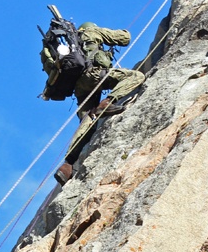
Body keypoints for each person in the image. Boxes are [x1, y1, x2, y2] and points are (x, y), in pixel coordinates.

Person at [50, 22, 146, 185]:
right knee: (136, 76)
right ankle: (107, 103)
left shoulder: (72, 45)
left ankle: (67, 166)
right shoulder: (92, 32)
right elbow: (124, 38)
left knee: (88, 120)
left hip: (80, 88)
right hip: (94, 75)